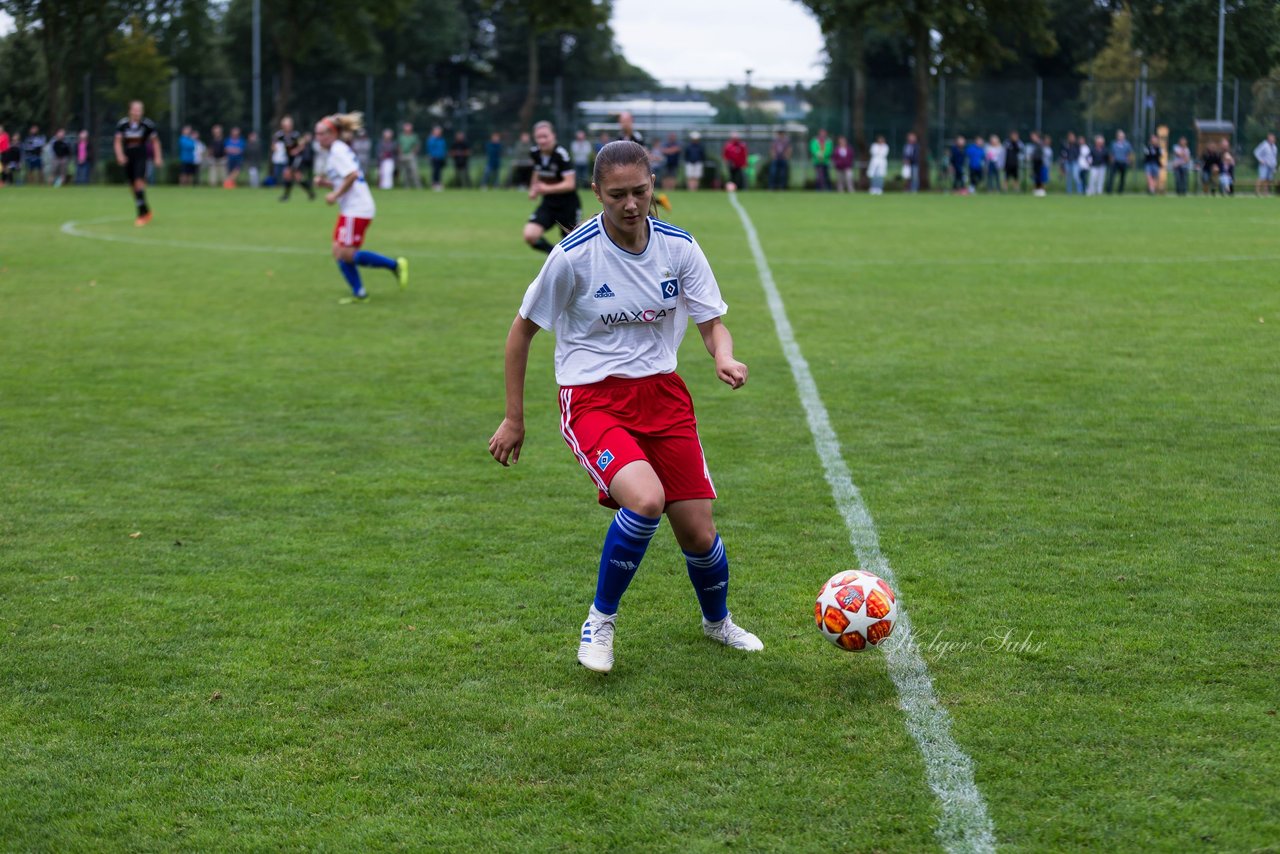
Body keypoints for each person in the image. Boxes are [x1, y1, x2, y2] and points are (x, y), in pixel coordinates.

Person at [487, 139, 763, 674]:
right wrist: (514, 417)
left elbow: (711, 322)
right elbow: (521, 333)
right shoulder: (573, 256)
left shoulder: (680, 247)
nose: (632, 204)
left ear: (653, 186)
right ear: (597, 194)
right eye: (618, 195)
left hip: (663, 394)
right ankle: (600, 621)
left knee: (699, 532)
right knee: (645, 500)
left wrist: (724, 357)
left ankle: (717, 623)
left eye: (640, 191)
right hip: (593, 399)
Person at [313, 112, 408, 304]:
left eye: (322, 133)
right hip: (351, 208)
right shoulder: (336, 150)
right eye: (317, 134)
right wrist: (327, 184)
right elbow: (345, 179)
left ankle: (394, 265)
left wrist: (334, 195)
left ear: (333, 134)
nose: (318, 137)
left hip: (357, 209)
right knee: (337, 250)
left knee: (345, 253)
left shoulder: (338, 151)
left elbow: (353, 176)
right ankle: (360, 293)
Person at [523, 120, 580, 254]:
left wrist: (545, 189)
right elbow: (537, 171)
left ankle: (567, 260)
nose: (542, 140)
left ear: (553, 136)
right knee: (530, 235)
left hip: (568, 205)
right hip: (549, 204)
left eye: (545, 136)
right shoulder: (535, 153)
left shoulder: (561, 155)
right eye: (539, 137)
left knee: (573, 246)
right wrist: (534, 188)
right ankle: (553, 254)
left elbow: (570, 184)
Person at [114, 100, 163, 226]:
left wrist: (157, 157)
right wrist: (120, 155)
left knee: (138, 182)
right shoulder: (123, 124)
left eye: (139, 110)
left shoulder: (147, 125)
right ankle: (146, 211)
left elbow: (156, 142)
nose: (137, 112)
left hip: (141, 157)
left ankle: (141, 215)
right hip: (128, 158)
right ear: (130, 111)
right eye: (135, 110)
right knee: (133, 187)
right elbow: (117, 141)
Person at [400, 122, 424, 190]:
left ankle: (418, 186)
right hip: (403, 155)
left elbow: (417, 145)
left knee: (414, 171)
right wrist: (400, 153)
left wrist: (413, 153)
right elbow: (399, 146)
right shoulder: (401, 136)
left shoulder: (414, 136)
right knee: (404, 172)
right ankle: (406, 186)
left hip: (411, 155)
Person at [1107, 130, 1132, 194]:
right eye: (1120, 136)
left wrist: (1128, 160)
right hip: (1115, 162)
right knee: (1112, 177)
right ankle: (1109, 191)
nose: (1121, 137)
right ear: (1117, 136)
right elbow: (1111, 153)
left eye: (1122, 136)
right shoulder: (1114, 143)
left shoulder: (1127, 144)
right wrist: (1111, 160)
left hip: (1123, 162)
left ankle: (1120, 191)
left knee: (1122, 178)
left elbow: (1129, 153)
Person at [1253, 132, 1276, 197]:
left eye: (1273, 138)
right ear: (1268, 138)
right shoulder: (1264, 145)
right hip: (1264, 165)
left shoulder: (1274, 147)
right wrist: (1260, 160)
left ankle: (1265, 193)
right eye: (1271, 138)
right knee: (1262, 178)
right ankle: (1257, 191)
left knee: (1268, 179)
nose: (1273, 139)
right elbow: (1256, 152)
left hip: (1271, 165)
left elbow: (1274, 157)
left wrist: (1274, 167)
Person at [426, 125, 447, 190]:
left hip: (441, 157)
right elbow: (429, 149)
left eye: (439, 131)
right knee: (435, 171)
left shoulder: (442, 139)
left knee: (439, 171)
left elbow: (443, 148)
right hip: (434, 157)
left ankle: (439, 183)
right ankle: (434, 184)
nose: (438, 132)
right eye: (437, 131)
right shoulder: (431, 140)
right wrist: (431, 156)